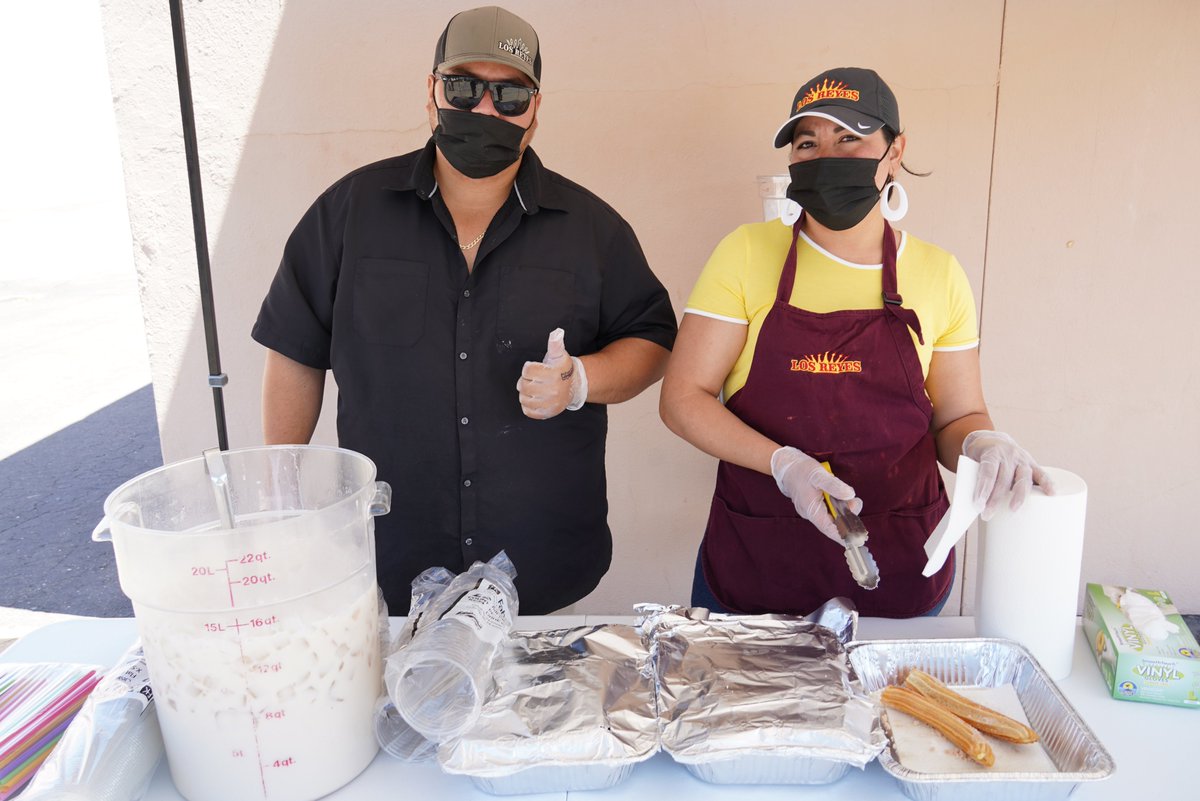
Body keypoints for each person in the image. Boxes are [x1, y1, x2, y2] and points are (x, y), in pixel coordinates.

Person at [252, 6, 676, 614]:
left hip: (541, 563)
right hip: (391, 560)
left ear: (534, 110)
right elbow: (295, 348)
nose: (484, 110)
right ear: (431, 94)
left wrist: (582, 380)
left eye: (508, 95)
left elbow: (652, 339)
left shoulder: (592, 229)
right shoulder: (350, 212)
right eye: (463, 87)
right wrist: (279, 489)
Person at [659, 67, 1051, 618]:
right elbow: (682, 399)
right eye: (807, 142)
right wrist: (783, 465)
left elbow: (958, 414)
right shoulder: (745, 254)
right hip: (760, 574)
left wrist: (982, 446)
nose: (827, 156)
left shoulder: (939, 274)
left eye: (849, 138)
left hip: (899, 574)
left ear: (895, 151)